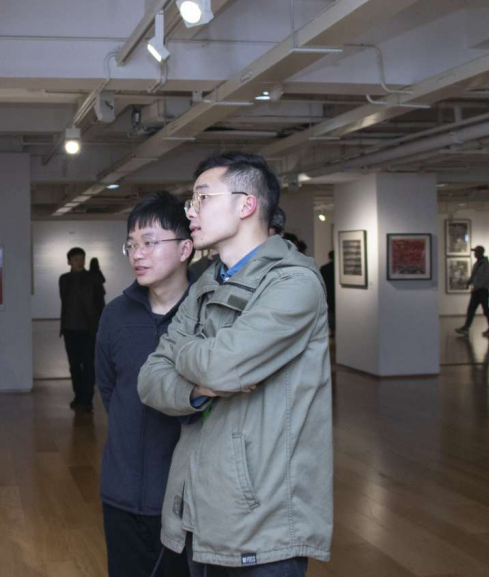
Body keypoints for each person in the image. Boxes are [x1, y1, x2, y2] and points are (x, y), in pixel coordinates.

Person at [138, 152, 333, 576]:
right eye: (191, 201)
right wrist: (197, 388)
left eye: (202, 198)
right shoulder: (206, 282)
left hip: (262, 527)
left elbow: (221, 368)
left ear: (246, 204)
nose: (191, 212)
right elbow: (150, 378)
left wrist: (187, 352)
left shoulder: (294, 282)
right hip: (200, 513)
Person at [95, 192, 195, 577]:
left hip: (188, 500)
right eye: (132, 245)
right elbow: (110, 389)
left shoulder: (207, 315)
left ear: (185, 248)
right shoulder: (115, 315)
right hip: (121, 493)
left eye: (149, 242)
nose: (137, 254)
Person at [59, 247, 102, 411]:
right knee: (74, 366)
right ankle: (78, 396)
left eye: (82, 259)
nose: (80, 262)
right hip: (70, 329)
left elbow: (99, 303)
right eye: (76, 259)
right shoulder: (64, 279)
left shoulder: (92, 278)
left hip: (88, 329)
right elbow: (66, 298)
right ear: (69, 261)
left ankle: (86, 400)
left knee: (88, 365)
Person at [456, 245, 489, 337]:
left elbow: (486, 278)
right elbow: (474, 276)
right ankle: (466, 327)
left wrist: (478, 285)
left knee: (486, 309)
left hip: (483, 290)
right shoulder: (477, 264)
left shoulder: (485, 264)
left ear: (480, 253)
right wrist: (469, 282)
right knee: (471, 309)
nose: (474, 254)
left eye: (476, 252)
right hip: (476, 290)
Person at [320, 251, 335, 332]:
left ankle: (332, 330)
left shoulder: (324, 268)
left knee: (330, 312)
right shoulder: (337, 268)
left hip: (328, 292)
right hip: (336, 293)